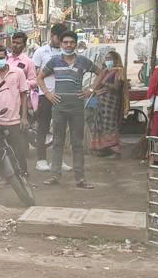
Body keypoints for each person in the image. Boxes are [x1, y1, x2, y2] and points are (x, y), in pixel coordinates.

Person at [38, 30, 97, 188]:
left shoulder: (83, 61)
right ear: (61, 43)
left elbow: (101, 72)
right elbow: (40, 77)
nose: (69, 45)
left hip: (77, 107)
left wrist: (90, 90)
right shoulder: (54, 61)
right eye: (66, 42)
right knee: (57, 142)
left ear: (75, 44)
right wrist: (48, 94)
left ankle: (80, 179)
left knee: (77, 143)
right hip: (58, 107)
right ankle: (55, 176)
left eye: (71, 42)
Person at [0, 44, 31, 177]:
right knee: (0, 152)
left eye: (1, 58)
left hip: (15, 120)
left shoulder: (18, 73)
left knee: (19, 150)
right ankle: (6, 178)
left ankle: (23, 174)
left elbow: (24, 95)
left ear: (6, 57)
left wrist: (24, 117)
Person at [31, 24, 69, 171]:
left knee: (60, 129)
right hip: (45, 95)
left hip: (62, 95)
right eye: (58, 38)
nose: (60, 42)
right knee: (43, 128)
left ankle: (58, 161)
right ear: (52, 35)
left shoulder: (67, 52)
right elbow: (34, 74)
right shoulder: (41, 52)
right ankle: (41, 160)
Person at [88, 49, 129, 157]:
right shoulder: (105, 71)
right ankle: (103, 149)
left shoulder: (118, 71)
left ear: (115, 60)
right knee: (99, 124)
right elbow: (95, 86)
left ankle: (115, 150)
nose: (107, 61)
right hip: (101, 102)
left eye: (110, 59)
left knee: (109, 125)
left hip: (111, 103)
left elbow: (116, 88)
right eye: (106, 59)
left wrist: (104, 83)